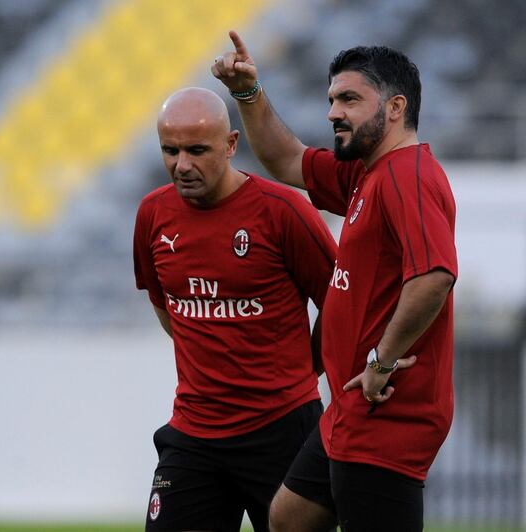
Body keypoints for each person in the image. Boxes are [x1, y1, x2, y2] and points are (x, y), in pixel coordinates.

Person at [212, 32, 458, 532]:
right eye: (330, 99)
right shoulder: (367, 175)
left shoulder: (407, 175)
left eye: (349, 99)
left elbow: (434, 276)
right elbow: (286, 159)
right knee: (288, 517)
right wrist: (246, 93)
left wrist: (380, 363)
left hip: (387, 410)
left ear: (395, 107)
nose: (332, 112)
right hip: (351, 408)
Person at [133, 87, 338, 532]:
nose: (181, 165)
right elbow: (163, 300)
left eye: (196, 150)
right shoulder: (152, 214)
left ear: (230, 145)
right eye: (170, 151)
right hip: (194, 432)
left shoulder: (282, 212)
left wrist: (307, 368)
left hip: (283, 429)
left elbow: (342, 302)